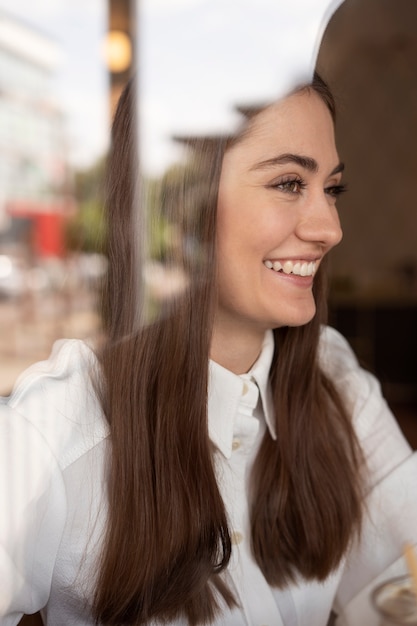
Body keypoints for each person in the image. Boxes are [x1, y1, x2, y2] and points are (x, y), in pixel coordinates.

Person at [1, 74, 417, 626]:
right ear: (180, 205)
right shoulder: (61, 426)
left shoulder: (335, 383)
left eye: (331, 188)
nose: (330, 228)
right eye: (290, 183)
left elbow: (401, 584)